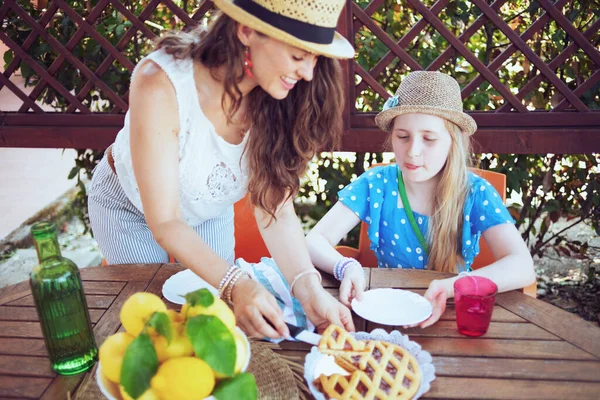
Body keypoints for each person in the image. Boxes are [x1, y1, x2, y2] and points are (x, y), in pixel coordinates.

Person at [87, 0, 357, 339]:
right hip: (129, 209)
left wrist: (308, 287)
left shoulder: (279, 98)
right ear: (246, 31)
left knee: (215, 322)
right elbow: (167, 221)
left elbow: (273, 205)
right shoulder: (161, 83)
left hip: (209, 208)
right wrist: (236, 283)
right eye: (298, 56)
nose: (308, 73)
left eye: (314, 58)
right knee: (157, 325)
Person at [306, 71, 536, 327]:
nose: (412, 152)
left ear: (454, 141)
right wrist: (345, 267)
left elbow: (522, 266)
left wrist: (451, 286)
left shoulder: (475, 192)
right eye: (403, 137)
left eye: (429, 139)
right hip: (386, 316)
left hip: (452, 318)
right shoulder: (376, 184)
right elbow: (314, 241)